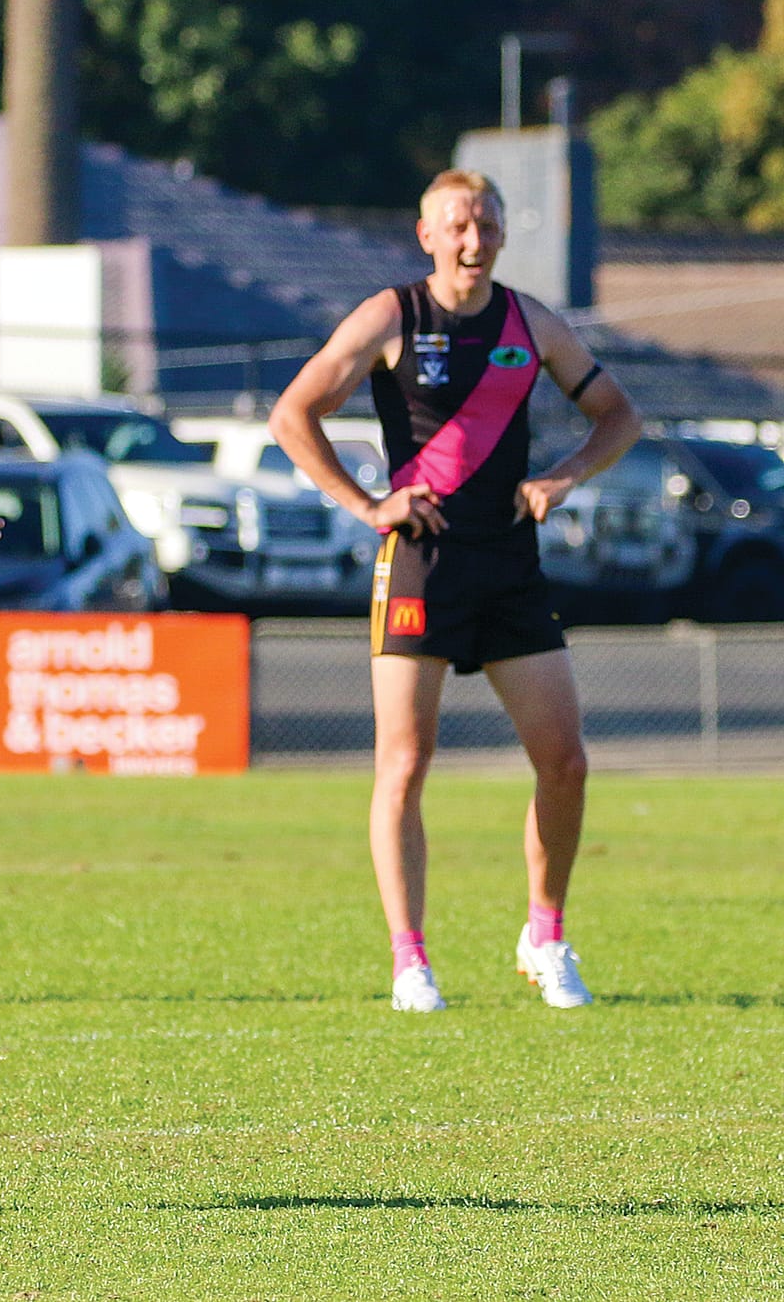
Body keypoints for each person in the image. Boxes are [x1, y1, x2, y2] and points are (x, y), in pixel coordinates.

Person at [268, 168, 642, 1014]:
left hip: (510, 566)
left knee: (566, 760)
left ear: (504, 234)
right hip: (419, 565)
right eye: (458, 226)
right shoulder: (392, 316)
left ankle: (545, 936)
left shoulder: (528, 321)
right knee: (404, 763)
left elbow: (619, 414)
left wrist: (567, 474)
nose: (473, 241)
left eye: (487, 224)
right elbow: (293, 415)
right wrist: (367, 504)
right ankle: (411, 961)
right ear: (426, 235)